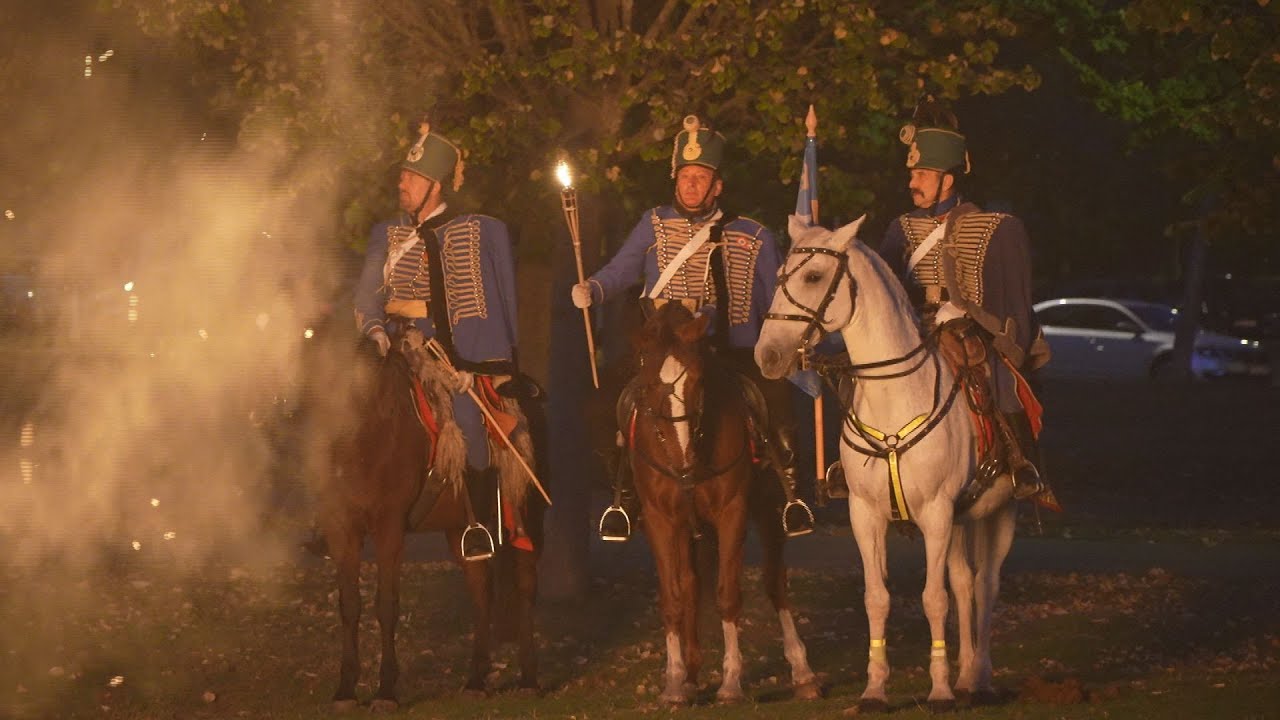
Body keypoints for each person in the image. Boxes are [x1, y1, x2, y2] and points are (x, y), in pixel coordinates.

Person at [571, 114, 814, 541]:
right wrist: (592, 288)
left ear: (717, 185)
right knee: (600, 404)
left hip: (725, 350)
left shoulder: (748, 234)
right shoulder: (653, 223)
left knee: (775, 401)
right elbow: (621, 269)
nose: (691, 184)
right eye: (685, 176)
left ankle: (789, 493)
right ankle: (624, 493)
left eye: (701, 177)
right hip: (660, 349)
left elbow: (773, 297)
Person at [308, 120, 534, 561]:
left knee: (469, 420)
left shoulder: (469, 231)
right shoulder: (387, 233)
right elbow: (367, 293)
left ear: (436, 185)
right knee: (337, 407)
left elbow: (484, 302)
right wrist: (374, 330)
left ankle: (480, 524)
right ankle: (328, 514)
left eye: (411, 177)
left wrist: (474, 364)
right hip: (389, 345)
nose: (402, 183)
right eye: (402, 175)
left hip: (444, 353)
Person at [876, 102, 1057, 509]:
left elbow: (1012, 299)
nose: (912, 183)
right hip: (912, 328)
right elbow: (884, 286)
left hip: (969, 328)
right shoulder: (900, 228)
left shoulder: (995, 227)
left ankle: (1022, 463)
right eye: (912, 174)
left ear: (949, 178)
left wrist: (966, 313)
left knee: (999, 377)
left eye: (922, 174)